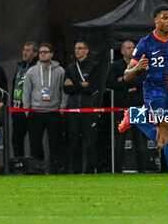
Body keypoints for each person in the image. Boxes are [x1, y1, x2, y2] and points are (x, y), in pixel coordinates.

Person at [119, 4, 168, 195]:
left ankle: (136, 117)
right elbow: (126, 74)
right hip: (155, 92)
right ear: (156, 20)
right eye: (165, 18)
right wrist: (137, 68)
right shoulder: (146, 43)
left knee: (166, 139)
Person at [22, 42, 68, 173]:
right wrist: (27, 110)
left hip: (53, 111)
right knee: (35, 143)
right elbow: (27, 91)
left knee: (55, 143)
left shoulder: (60, 71)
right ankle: (38, 168)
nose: (42, 54)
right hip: (35, 112)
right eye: (41, 52)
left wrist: (62, 108)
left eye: (45, 52)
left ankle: (55, 168)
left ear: (51, 54)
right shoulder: (31, 71)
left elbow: (63, 90)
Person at [106, 40, 147, 173]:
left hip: (138, 107)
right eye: (128, 48)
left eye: (133, 48)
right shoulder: (115, 66)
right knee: (120, 140)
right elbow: (110, 83)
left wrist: (123, 79)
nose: (131, 50)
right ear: (122, 51)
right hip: (121, 108)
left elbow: (143, 81)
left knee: (140, 140)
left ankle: (142, 170)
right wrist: (127, 81)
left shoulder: (141, 64)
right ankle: (118, 170)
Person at [63, 41, 102, 174]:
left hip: (88, 109)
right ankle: (76, 171)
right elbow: (66, 88)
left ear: (87, 51)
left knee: (90, 142)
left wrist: (74, 86)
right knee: (74, 142)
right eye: (75, 49)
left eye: (80, 48)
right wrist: (80, 86)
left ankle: (91, 170)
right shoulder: (71, 67)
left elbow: (92, 88)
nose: (77, 51)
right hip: (74, 109)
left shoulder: (93, 66)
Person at [11, 41, 38, 157]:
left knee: (34, 139)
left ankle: (35, 166)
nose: (25, 52)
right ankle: (20, 164)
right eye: (24, 50)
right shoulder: (20, 67)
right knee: (16, 139)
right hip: (17, 109)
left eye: (28, 50)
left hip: (30, 110)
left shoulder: (37, 68)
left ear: (35, 54)